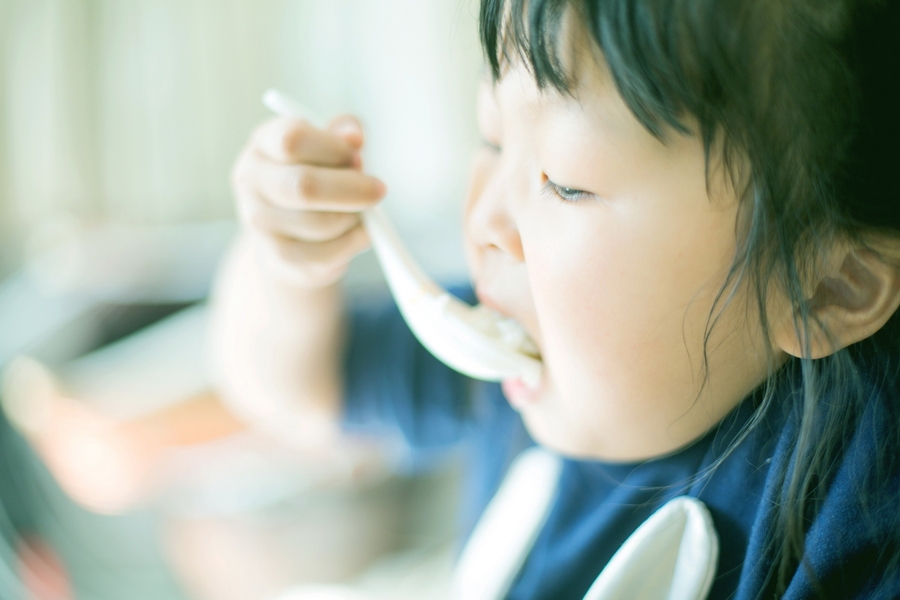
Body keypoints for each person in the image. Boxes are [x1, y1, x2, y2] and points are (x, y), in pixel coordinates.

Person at [209, 0, 900, 597]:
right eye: (491, 139)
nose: (483, 219)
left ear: (827, 288)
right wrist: (285, 265)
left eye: (566, 182)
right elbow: (294, 388)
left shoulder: (860, 508)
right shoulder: (517, 351)